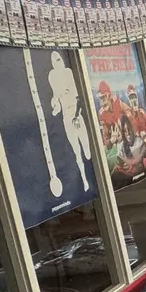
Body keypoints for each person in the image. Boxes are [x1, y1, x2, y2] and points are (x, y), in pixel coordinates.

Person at [47, 52, 91, 191]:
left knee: (87, 150)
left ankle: (90, 175)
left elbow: (79, 99)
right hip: (67, 118)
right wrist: (55, 106)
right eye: (54, 61)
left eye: (59, 59)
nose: (57, 62)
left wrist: (77, 116)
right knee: (76, 151)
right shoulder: (53, 77)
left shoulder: (68, 73)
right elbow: (56, 106)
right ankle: (84, 180)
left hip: (76, 114)